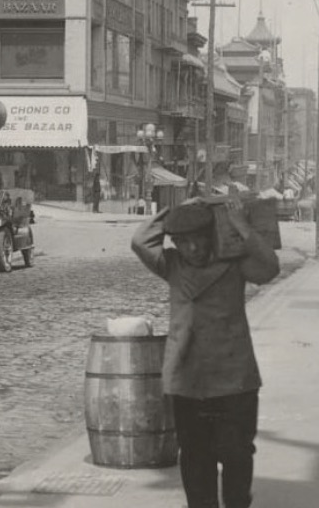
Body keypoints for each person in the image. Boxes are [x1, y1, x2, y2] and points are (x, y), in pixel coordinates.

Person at [132, 198, 279, 508]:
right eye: (182, 242)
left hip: (233, 377)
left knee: (236, 453)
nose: (192, 249)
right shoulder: (171, 265)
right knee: (196, 458)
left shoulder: (234, 262)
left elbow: (269, 268)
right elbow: (140, 240)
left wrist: (238, 224)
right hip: (187, 378)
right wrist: (176, 209)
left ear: (211, 233)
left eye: (198, 239)